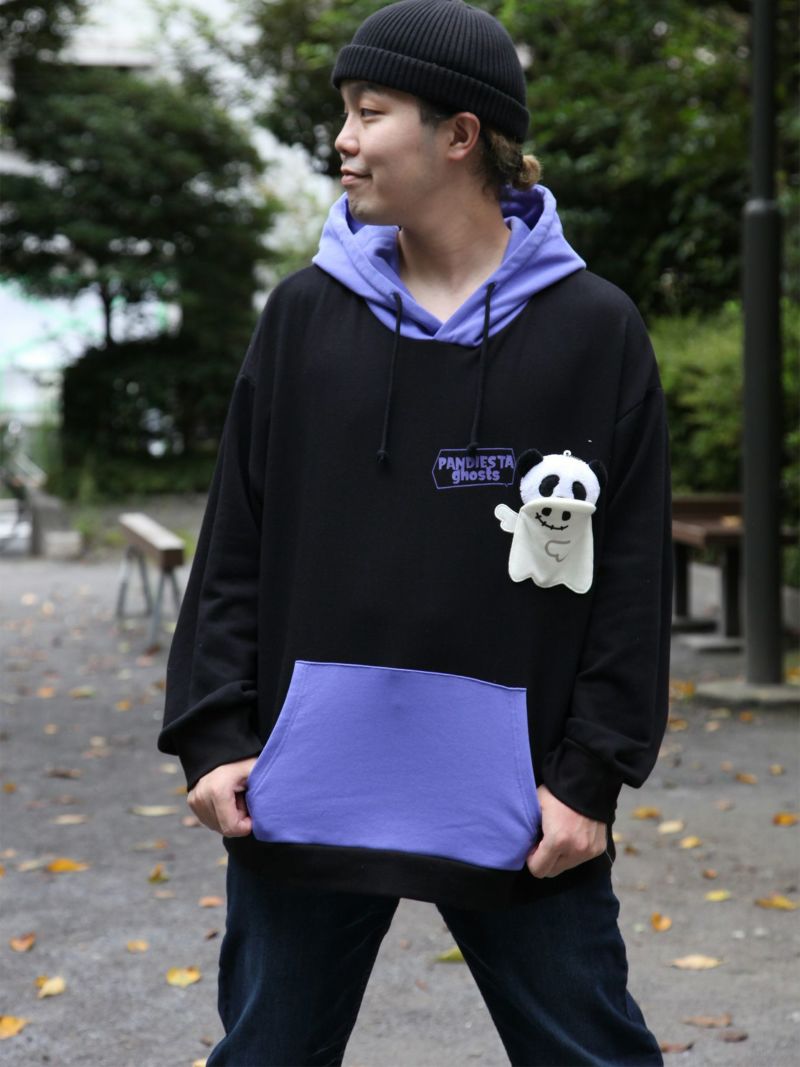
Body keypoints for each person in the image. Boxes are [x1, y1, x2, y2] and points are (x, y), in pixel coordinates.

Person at [158, 2, 672, 1063]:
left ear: (459, 134)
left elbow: (628, 576)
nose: (341, 139)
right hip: (309, 786)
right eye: (345, 112)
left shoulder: (593, 328)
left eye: (369, 111)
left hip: (518, 802)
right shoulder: (303, 315)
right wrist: (213, 733)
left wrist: (591, 777)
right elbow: (237, 537)